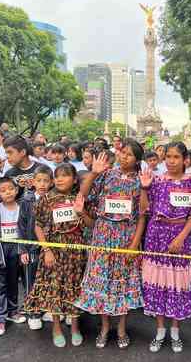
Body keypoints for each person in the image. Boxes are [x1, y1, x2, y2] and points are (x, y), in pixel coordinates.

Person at [76, 140, 146, 349]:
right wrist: (94, 173)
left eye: (129, 154)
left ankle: (122, 327)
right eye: (122, 152)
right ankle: (105, 327)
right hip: (102, 234)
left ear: (137, 160)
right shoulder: (107, 174)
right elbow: (84, 194)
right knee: (103, 283)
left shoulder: (140, 181)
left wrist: (135, 244)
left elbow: (142, 215)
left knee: (122, 283)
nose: (124, 157)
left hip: (126, 236)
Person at [140, 142, 191, 353]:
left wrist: (180, 238)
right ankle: (160, 330)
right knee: (159, 283)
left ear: (185, 159)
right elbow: (143, 209)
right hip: (156, 237)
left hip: (182, 238)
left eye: (176, 157)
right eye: (168, 156)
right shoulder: (156, 181)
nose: (171, 161)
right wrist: (144, 188)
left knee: (177, 283)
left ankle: (175, 330)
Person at [24, 164, 93, 348]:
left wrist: (81, 212)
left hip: (76, 252)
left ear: (75, 179)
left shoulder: (80, 198)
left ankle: (75, 327)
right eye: (57, 176)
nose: (60, 179)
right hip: (53, 252)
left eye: (65, 176)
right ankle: (56, 328)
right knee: (54, 289)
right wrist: (46, 250)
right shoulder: (46, 199)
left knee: (74, 289)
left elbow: (90, 224)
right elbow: (37, 226)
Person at [18, 164, 54, 331]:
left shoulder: (54, 199)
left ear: (51, 182)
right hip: (31, 247)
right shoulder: (26, 200)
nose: (42, 184)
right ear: (32, 182)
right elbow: (22, 224)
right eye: (39, 180)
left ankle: (46, 308)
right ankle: (33, 312)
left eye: (46, 181)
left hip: (49, 247)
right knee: (30, 280)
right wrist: (23, 249)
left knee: (47, 279)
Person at [0, 177, 26, 336]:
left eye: (10, 189)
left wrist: (22, 250)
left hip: (16, 249)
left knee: (13, 282)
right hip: (0, 249)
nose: (8, 192)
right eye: (3, 190)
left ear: (16, 190)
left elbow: (25, 231)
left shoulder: (22, 208)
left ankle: (12, 312)